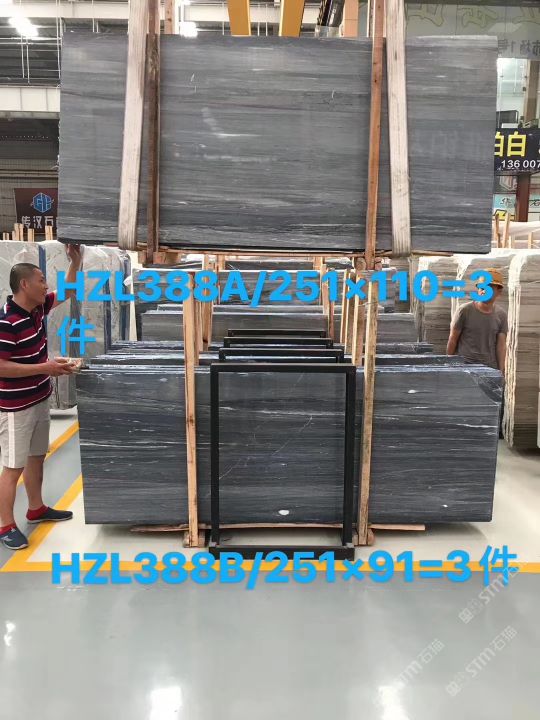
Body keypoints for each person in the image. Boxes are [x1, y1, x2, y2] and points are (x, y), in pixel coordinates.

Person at [0, 245, 82, 550]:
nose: (46, 286)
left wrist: (75, 261)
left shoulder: (36, 309)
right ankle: (5, 525)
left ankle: (36, 508)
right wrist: (45, 367)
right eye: (41, 281)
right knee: (13, 467)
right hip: (16, 408)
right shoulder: (6, 322)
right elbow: (1, 366)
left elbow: (68, 292)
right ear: (25, 285)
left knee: (36, 457)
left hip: (39, 398)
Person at [446, 268, 507, 374]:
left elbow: (501, 346)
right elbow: (453, 339)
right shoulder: (465, 310)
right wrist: (448, 367)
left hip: (489, 369)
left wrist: (501, 371)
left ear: (499, 292)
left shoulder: (501, 315)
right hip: (465, 368)